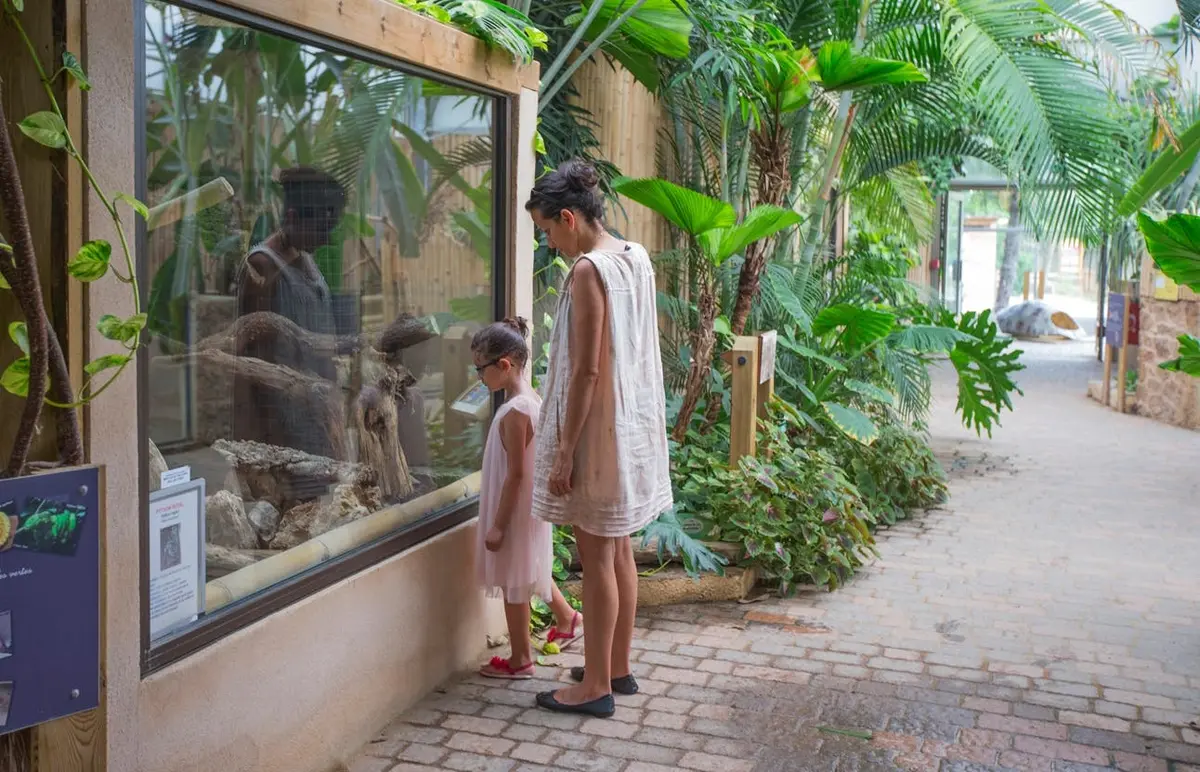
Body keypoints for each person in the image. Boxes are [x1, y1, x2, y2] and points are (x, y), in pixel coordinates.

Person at [525, 161, 673, 717]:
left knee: (595, 558)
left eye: (547, 231)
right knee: (618, 551)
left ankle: (594, 692)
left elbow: (587, 371)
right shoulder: (634, 256)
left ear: (569, 218)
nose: (550, 243)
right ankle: (616, 667)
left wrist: (563, 449)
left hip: (595, 433)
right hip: (628, 427)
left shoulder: (588, 271)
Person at [472, 318, 583, 679]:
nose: (478, 378)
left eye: (480, 369)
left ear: (504, 365)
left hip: (514, 510)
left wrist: (498, 526)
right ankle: (567, 618)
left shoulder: (516, 412)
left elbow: (516, 474)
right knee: (526, 568)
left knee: (513, 580)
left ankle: (520, 659)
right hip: (526, 507)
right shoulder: (531, 399)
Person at [233, 166, 345, 456]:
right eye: (322, 229)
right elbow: (256, 363)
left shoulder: (305, 257)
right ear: (293, 218)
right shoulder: (263, 266)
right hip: (282, 424)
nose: (327, 239)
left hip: (316, 413)